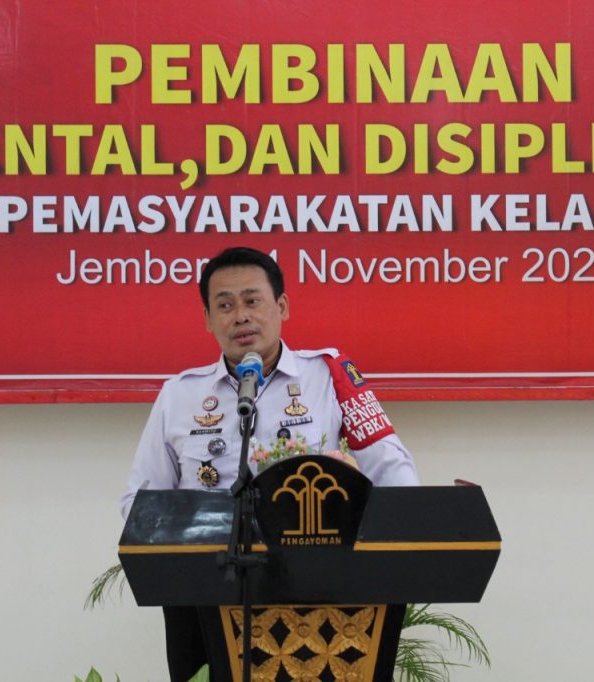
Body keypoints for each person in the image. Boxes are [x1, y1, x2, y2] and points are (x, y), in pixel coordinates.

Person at [119, 246, 419, 680]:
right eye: (225, 305)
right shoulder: (179, 396)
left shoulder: (329, 376)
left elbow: (394, 473)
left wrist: (394, 541)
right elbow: (140, 505)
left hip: (314, 589)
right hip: (205, 597)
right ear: (207, 319)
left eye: (252, 300)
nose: (240, 316)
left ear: (282, 306)